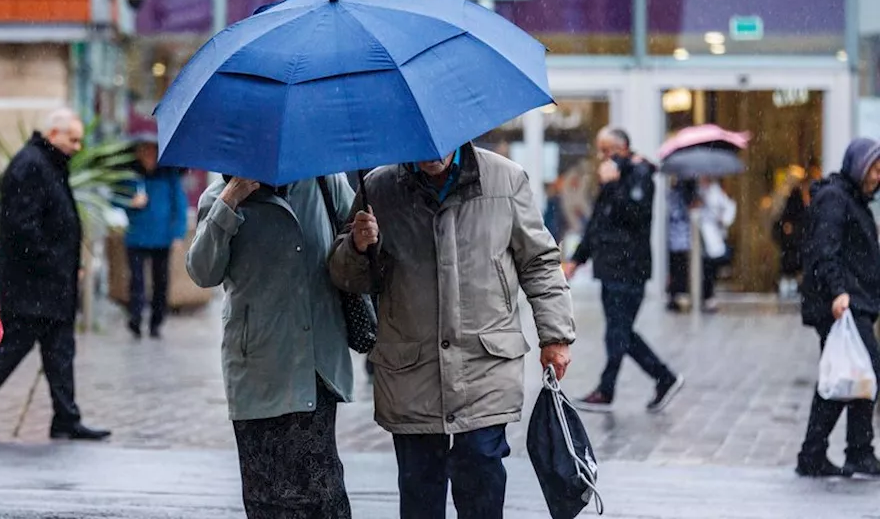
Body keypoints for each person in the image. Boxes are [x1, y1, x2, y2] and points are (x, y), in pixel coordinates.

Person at [329, 143, 576, 519]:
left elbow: (539, 261)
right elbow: (350, 278)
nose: (431, 152)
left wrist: (555, 336)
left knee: (481, 477)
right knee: (419, 491)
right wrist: (357, 246)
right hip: (410, 368)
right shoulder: (377, 188)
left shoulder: (505, 179)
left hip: (485, 362)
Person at [186, 173, 356, 518]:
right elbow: (203, 272)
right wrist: (229, 201)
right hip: (258, 364)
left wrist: (363, 242)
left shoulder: (325, 182)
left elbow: (352, 251)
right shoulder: (220, 195)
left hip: (315, 363)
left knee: (321, 493)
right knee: (268, 496)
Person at [0, 108, 110, 441]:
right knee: (14, 348)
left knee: (60, 351)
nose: (78, 146)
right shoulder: (32, 165)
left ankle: (66, 417)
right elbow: (22, 226)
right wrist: (54, 263)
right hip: (32, 286)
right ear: (53, 134)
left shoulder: (48, 163)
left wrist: (67, 266)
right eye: (73, 138)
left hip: (50, 284)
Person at [566, 127, 683, 413]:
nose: (602, 157)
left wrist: (614, 184)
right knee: (619, 332)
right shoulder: (611, 180)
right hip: (610, 267)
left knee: (619, 332)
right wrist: (576, 260)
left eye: (607, 150)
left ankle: (644, 381)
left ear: (622, 149)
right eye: (600, 150)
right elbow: (598, 224)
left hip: (630, 268)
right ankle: (651, 380)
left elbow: (634, 215)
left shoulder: (640, 175)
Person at [795, 137, 880, 478]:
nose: (877, 175)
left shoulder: (854, 199)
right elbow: (823, 250)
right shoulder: (835, 198)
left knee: (855, 373)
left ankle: (847, 451)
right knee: (852, 373)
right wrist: (838, 292)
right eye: (874, 168)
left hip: (853, 300)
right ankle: (823, 453)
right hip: (841, 303)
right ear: (859, 165)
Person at [120, 134, 187, 339]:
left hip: (162, 238)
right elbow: (114, 199)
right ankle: (135, 319)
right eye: (144, 150)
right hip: (136, 236)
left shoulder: (169, 175)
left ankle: (156, 322)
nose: (148, 155)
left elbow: (180, 205)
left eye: (152, 150)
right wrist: (130, 202)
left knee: (161, 282)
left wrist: (178, 234)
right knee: (137, 282)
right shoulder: (130, 176)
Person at [696, 176, 736, 313]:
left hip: (713, 236)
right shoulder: (697, 192)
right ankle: (703, 296)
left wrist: (722, 219)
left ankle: (708, 297)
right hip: (699, 235)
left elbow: (728, 208)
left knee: (709, 269)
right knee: (702, 268)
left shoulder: (716, 191)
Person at [772, 169, 809, 301]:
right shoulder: (793, 197)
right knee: (791, 263)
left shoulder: (790, 197)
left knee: (789, 264)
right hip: (793, 240)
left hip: (791, 241)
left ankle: (789, 286)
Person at [665, 179, 695, 312]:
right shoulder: (677, 196)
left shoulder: (678, 196)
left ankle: (677, 296)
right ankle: (677, 295)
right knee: (679, 270)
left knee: (678, 270)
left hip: (679, 240)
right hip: (679, 240)